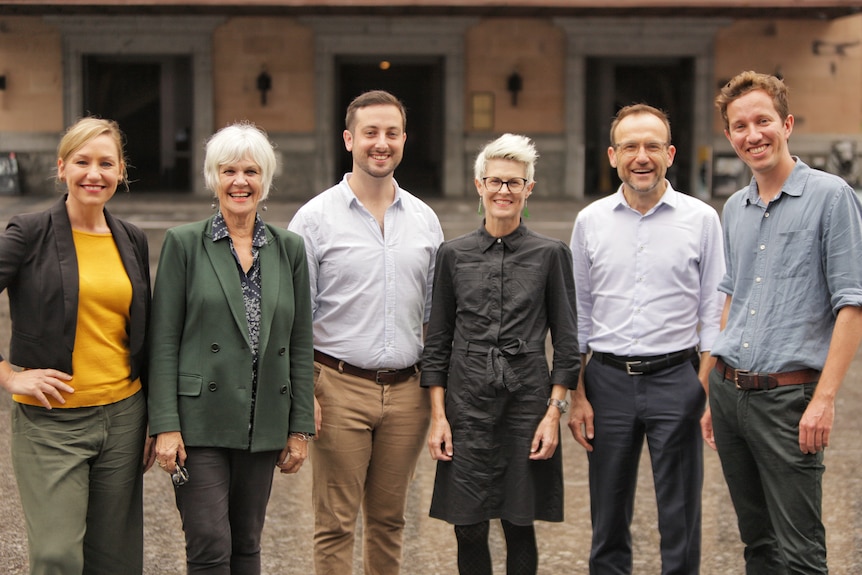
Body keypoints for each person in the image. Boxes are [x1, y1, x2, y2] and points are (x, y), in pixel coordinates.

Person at [703, 71, 862, 575]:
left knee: (801, 554)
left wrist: (824, 399)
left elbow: (852, 305)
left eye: (763, 121)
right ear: (729, 137)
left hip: (789, 400)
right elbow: (733, 296)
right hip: (730, 396)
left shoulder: (833, 197)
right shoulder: (734, 208)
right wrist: (710, 388)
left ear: (786, 123)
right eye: (740, 126)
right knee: (759, 546)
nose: (753, 135)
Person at [148, 122, 315, 574]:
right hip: (199, 422)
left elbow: (300, 342)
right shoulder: (184, 243)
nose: (240, 181)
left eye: (251, 171)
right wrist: (164, 424)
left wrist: (299, 428)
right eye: (228, 171)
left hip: (262, 421)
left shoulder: (290, 249)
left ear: (265, 180)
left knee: (246, 543)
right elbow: (162, 339)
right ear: (213, 177)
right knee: (208, 543)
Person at [288, 90, 443, 575]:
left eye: (391, 133)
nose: (382, 143)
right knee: (334, 522)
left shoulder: (425, 220)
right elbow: (293, 318)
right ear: (349, 139)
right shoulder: (313, 220)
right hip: (337, 387)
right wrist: (300, 393)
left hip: (407, 393)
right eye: (370, 133)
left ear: (403, 139)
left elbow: (435, 315)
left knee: (390, 520)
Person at [568, 104, 725, 574]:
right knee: (608, 517)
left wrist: (703, 386)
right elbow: (578, 313)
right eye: (631, 147)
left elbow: (714, 313)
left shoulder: (701, 220)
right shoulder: (590, 221)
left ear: (670, 153)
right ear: (613, 156)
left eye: (652, 146)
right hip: (606, 382)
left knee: (680, 518)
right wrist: (576, 394)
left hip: (677, 379)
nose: (642, 156)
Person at [421, 133, 580, 575]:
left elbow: (567, 343)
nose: (504, 191)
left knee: (518, 521)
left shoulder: (550, 255)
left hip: (526, 402)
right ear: (479, 185)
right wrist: (438, 416)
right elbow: (437, 342)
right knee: (467, 525)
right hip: (466, 403)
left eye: (515, 182)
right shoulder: (453, 255)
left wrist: (553, 414)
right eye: (496, 181)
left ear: (529, 188)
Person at [0, 117, 152, 574]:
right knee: (56, 556)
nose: (94, 173)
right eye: (82, 161)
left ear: (121, 171)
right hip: (50, 424)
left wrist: (155, 419)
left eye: (106, 163)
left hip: (124, 418)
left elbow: (142, 334)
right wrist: (9, 374)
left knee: (115, 562)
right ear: (61, 167)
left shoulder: (132, 239)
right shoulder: (28, 233)